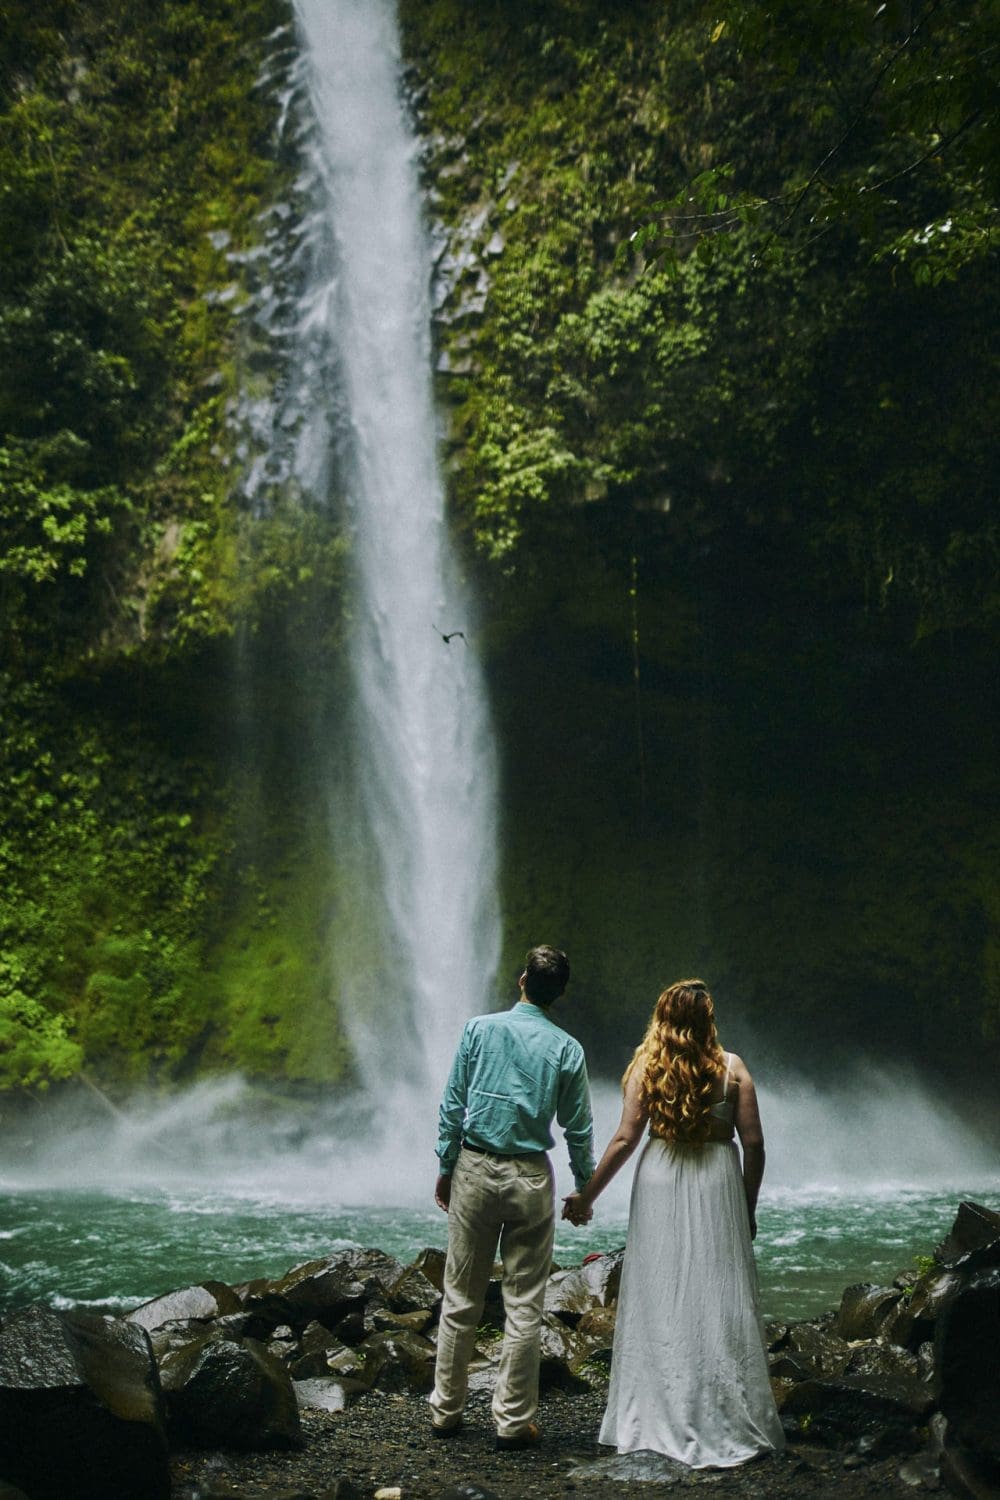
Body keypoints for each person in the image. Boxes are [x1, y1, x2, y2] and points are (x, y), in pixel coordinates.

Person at [562, 978, 784, 1469]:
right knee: (718, 1293)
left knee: (659, 1292)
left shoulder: (648, 1065)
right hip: (717, 1179)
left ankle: (656, 1410)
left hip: (661, 1175)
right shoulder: (733, 1068)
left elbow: (626, 1138)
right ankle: (723, 1411)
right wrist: (746, 1207)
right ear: (708, 1020)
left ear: (662, 1018)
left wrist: (587, 1196)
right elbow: (754, 1144)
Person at [430, 944, 596, 1451]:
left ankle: (445, 1412)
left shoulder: (478, 1030)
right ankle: (513, 1423)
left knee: (461, 1297)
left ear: (523, 979)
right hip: (530, 1176)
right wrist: (584, 1187)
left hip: (475, 1167)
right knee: (524, 1305)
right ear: (559, 994)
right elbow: (578, 1128)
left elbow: (453, 1104)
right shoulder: (567, 1048)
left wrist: (445, 1166)